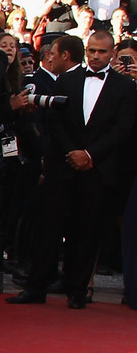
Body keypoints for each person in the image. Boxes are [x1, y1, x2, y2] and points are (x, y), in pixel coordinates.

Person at [9, 29, 136, 306]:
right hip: (62, 166)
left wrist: (90, 154)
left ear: (112, 53)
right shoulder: (67, 79)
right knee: (47, 227)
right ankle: (36, 287)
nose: (96, 56)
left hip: (97, 168)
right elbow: (54, 121)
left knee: (87, 231)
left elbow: (123, 128)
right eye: (92, 51)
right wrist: (72, 153)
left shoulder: (126, 87)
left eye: (102, 52)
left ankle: (77, 291)